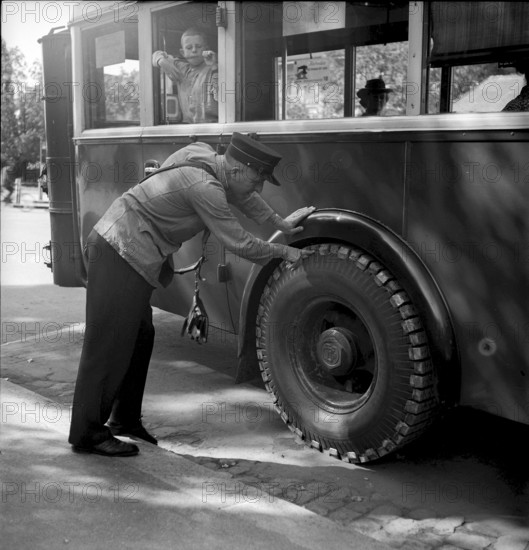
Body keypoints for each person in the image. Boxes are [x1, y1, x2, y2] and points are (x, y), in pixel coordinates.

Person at [68, 132, 316, 457]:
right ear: (239, 168)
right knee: (108, 340)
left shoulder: (206, 157)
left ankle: (124, 420)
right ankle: (87, 433)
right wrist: (284, 253)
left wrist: (280, 222)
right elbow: (239, 242)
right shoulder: (206, 187)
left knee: (139, 335)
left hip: (128, 248)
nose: (258, 188)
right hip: (119, 247)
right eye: (257, 179)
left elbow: (244, 196)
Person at [153, 27, 218, 124]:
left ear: (206, 49)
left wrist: (214, 66)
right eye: (189, 47)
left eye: (198, 46)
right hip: (188, 128)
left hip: (212, 127)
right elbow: (155, 55)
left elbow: (221, 94)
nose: (194, 50)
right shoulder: (181, 68)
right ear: (182, 52)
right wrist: (161, 61)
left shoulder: (213, 68)